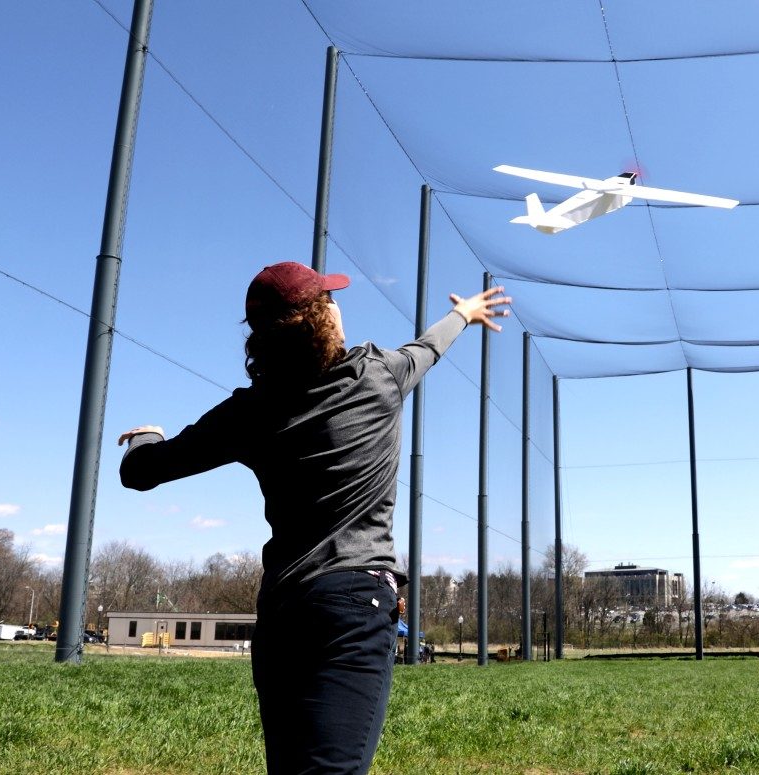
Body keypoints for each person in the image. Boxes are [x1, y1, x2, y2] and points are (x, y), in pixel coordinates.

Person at [117, 260, 510, 774]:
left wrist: (146, 435)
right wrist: (463, 314)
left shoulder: (252, 411)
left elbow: (142, 472)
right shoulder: (378, 376)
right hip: (353, 605)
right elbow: (430, 347)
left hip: (284, 610)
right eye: (331, 299)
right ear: (325, 318)